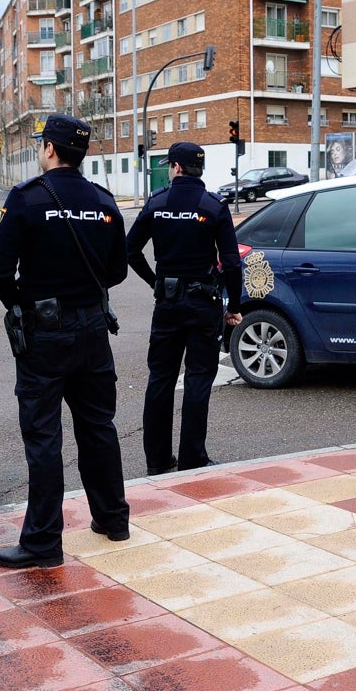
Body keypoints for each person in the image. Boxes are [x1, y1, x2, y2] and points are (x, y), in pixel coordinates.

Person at [0, 114, 130, 569]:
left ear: (49, 149)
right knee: (98, 426)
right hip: (92, 330)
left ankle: (44, 543)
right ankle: (113, 519)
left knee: (44, 437)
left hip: (45, 335)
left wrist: (23, 304)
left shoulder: (27, 199)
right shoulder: (104, 201)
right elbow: (118, 271)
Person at [126, 142, 243, 475]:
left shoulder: (157, 203)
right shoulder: (214, 206)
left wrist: (155, 283)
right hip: (203, 302)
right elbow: (232, 263)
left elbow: (130, 250)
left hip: (168, 301)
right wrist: (233, 305)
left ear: (176, 168)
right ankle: (192, 458)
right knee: (197, 380)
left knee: (160, 379)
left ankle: (158, 462)